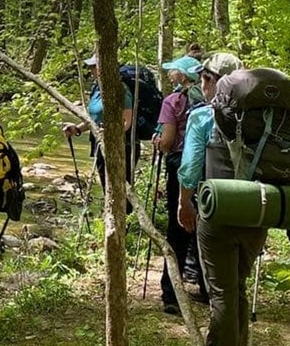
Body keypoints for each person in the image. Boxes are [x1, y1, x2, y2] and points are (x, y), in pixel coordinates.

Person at [177, 52, 256, 346]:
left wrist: (184, 202)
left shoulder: (202, 116)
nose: (201, 84)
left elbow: (190, 168)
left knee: (221, 290)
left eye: (203, 78)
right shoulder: (258, 115)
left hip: (217, 209)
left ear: (212, 81)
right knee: (237, 285)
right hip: (257, 209)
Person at [155, 54, 205, 315]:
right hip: (209, 169)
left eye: (174, 71)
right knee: (205, 226)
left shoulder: (173, 101)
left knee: (177, 229)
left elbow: (167, 141)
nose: (170, 74)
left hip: (180, 169)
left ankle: (171, 293)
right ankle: (207, 289)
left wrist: (158, 142)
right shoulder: (211, 99)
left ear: (183, 76)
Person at [62, 55, 139, 189]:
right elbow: (94, 120)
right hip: (99, 142)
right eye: (91, 67)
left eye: (95, 67)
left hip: (122, 146)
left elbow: (127, 121)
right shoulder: (96, 88)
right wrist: (77, 129)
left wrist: (111, 133)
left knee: (120, 188)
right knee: (106, 187)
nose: (91, 70)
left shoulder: (121, 89)